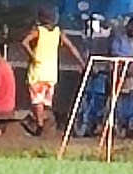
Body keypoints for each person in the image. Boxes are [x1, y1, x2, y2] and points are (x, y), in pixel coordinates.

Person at [22, 5, 85, 137]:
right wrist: (81, 62)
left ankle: (39, 125)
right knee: (45, 102)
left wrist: (32, 56)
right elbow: (71, 47)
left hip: (38, 70)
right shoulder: (58, 32)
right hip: (51, 72)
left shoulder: (39, 31)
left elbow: (24, 42)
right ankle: (38, 120)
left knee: (37, 99)